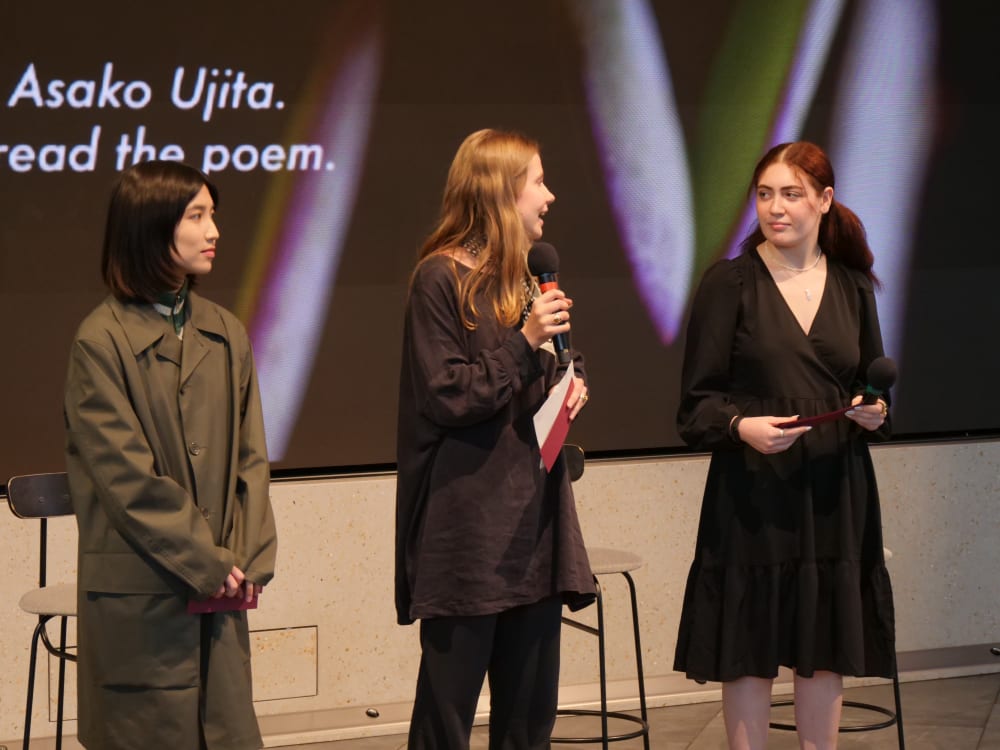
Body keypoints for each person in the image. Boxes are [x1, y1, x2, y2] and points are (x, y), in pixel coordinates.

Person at [673, 141, 895, 749]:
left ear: (824, 201)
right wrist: (742, 426)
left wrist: (875, 411)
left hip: (834, 490)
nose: (776, 207)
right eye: (766, 193)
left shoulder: (853, 285)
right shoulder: (729, 283)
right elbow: (695, 407)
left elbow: (869, 384)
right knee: (746, 646)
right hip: (753, 493)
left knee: (823, 645)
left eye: (792, 194)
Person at [64, 161, 277, 749]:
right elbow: (128, 482)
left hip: (222, 591)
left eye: (214, 215)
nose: (214, 231)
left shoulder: (226, 332)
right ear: (153, 228)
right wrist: (209, 564)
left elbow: (251, 460)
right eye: (197, 216)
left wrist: (249, 558)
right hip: (146, 597)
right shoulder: (99, 342)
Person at [395, 128, 596, 749]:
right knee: (447, 720)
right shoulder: (440, 279)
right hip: (467, 537)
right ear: (499, 193)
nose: (550, 195)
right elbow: (449, 395)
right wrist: (524, 340)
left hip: (533, 531)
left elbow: (556, 366)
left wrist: (572, 381)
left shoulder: (532, 282)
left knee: (529, 720)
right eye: (537, 181)